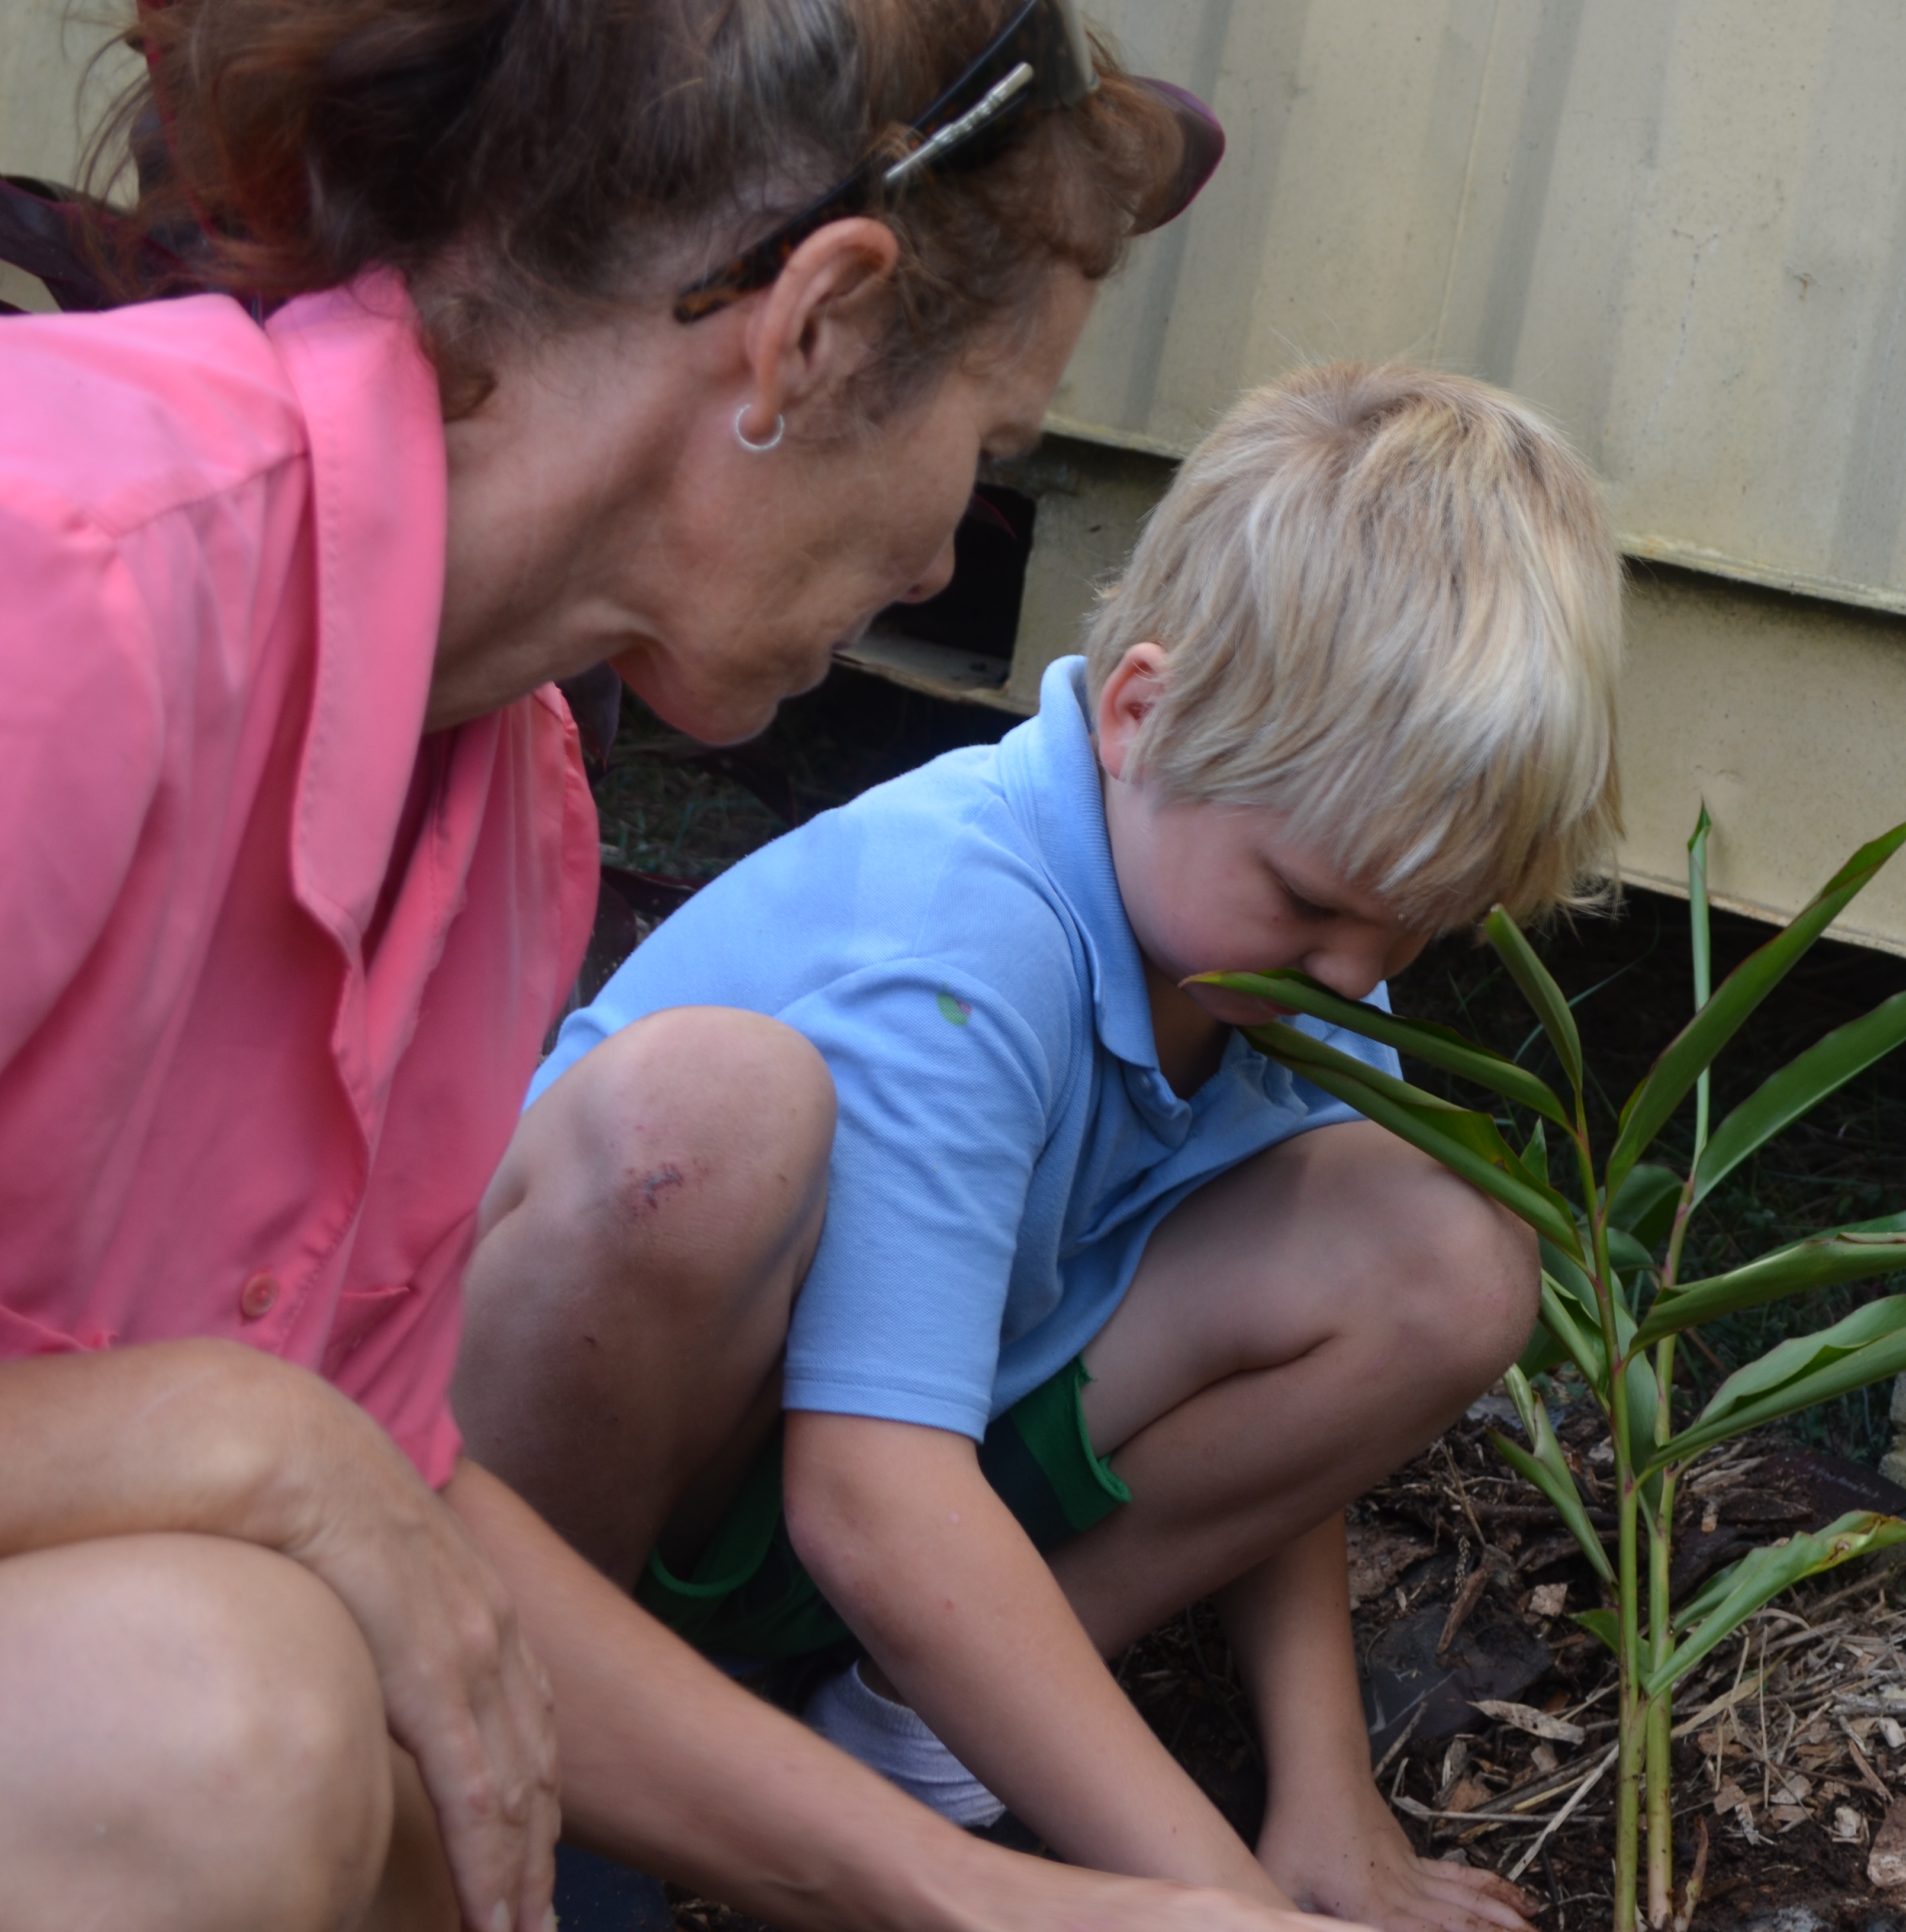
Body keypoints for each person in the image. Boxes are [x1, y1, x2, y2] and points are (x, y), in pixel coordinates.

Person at [0, 2, 1338, 1928]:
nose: (945, 547)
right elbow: (312, 1489)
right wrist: (239, 1437)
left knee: (397, 1767)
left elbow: (425, 1533)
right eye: (989, 439)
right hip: (160, 1719)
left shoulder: (507, 807)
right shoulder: (74, 576)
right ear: (814, 327)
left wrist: (999, 1905)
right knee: (234, 1719)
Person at [452, 362, 1629, 1932]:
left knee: (1443, 1246)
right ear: (1144, 715)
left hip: (885, 1511)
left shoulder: (1280, 947)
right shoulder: (970, 933)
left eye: (1422, 922)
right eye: (1316, 904)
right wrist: (1210, 1902)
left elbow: (1265, 1404)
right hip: (610, 1494)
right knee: (705, 1128)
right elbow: (870, 1494)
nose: (1362, 970)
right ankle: (545, 1739)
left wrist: (1322, 1798)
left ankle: (905, 1744)